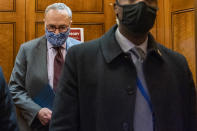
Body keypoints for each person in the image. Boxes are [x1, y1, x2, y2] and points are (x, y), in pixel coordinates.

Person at [49, 0, 197, 131]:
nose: (141, 4)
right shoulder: (80, 59)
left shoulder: (177, 65)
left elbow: (190, 122)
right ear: (116, 8)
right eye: (131, 0)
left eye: (149, 0)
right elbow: (63, 124)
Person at [9, 3, 81, 131]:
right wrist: (37, 111)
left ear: (70, 24)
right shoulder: (27, 50)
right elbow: (15, 88)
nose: (57, 32)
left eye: (62, 27)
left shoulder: (81, 50)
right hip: (37, 125)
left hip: (73, 123)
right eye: (51, 27)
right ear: (44, 23)